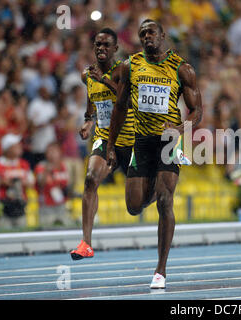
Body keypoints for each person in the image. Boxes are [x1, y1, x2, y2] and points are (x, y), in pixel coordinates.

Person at [106, 19, 203, 289]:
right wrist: (111, 146)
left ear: (162, 35)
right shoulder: (130, 66)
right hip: (141, 142)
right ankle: (154, 187)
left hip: (169, 141)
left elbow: (198, 111)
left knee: (164, 200)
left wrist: (181, 127)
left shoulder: (182, 69)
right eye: (142, 33)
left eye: (151, 32)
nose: (146, 36)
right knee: (134, 206)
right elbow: (120, 108)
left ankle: (160, 270)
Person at [70, 28, 135, 260]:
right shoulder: (88, 74)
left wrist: (105, 81)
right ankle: (86, 243)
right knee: (90, 180)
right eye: (98, 44)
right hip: (106, 137)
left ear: (115, 49)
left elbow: (126, 101)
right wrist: (89, 120)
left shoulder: (124, 71)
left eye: (106, 45)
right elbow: (92, 95)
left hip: (131, 139)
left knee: (138, 203)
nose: (101, 48)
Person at [0, 134, 34, 230]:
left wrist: (22, 182)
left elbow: (32, 182)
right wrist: (2, 182)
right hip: (3, 206)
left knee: (22, 233)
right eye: (16, 145)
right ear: (7, 148)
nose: (20, 147)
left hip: (20, 205)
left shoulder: (23, 164)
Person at [34, 142, 72, 228]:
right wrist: (46, 171)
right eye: (49, 152)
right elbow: (40, 183)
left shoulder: (64, 166)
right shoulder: (41, 166)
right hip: (46, 206)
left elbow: (68, 184)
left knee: (66, 228)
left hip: (61, 205)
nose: (52, 154)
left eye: (54, 151)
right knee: (47, 229)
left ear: (60, 152)